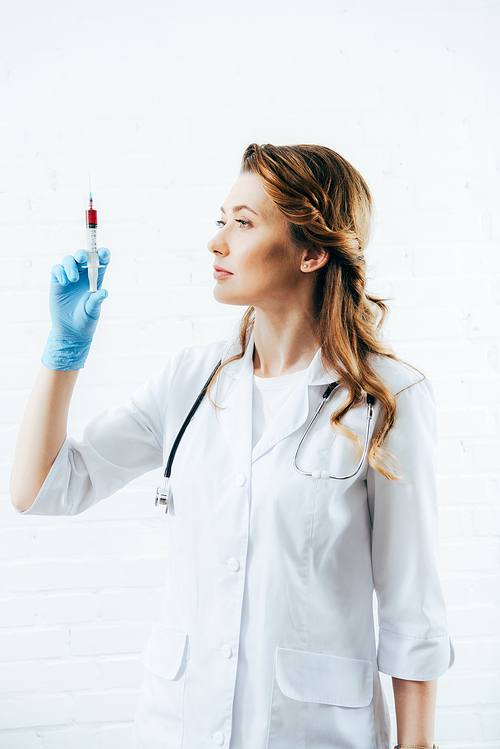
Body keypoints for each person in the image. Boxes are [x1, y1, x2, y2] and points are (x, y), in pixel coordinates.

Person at [11, 143, 454, 749]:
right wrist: (63, 355)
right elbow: (42, 489)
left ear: (313, 251)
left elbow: (412, 610)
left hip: (315, 732)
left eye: (243, 223)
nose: (218, 242)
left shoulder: (386, 399)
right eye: (221, 220)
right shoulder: (191, 381)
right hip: (180, 724)